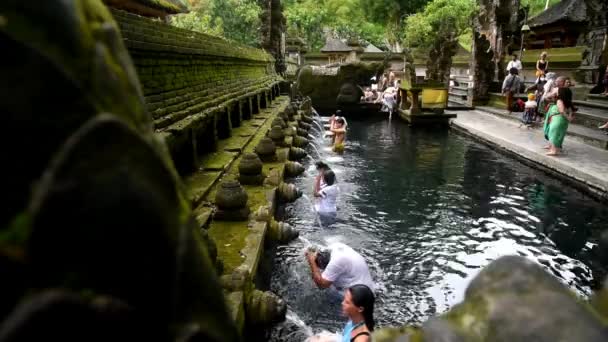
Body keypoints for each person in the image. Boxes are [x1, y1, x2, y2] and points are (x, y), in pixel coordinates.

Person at [305, 242, 375, 292]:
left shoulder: (336, 262)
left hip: (360, 294)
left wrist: (312, 262)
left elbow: (321, 285)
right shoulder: (334, 246)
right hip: (366, 283)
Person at [543, 87, 575, 156]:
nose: (555, 92)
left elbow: (561, 111)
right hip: (562, 120)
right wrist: (569, 117)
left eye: (557, 91)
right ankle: (553, 147)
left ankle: (553, 151)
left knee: (553, 134)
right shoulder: (567, 101)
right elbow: (570, 110)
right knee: (558, 134)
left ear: (561, 93)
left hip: (558, 119)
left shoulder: (559, 101)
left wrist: (568, 118)